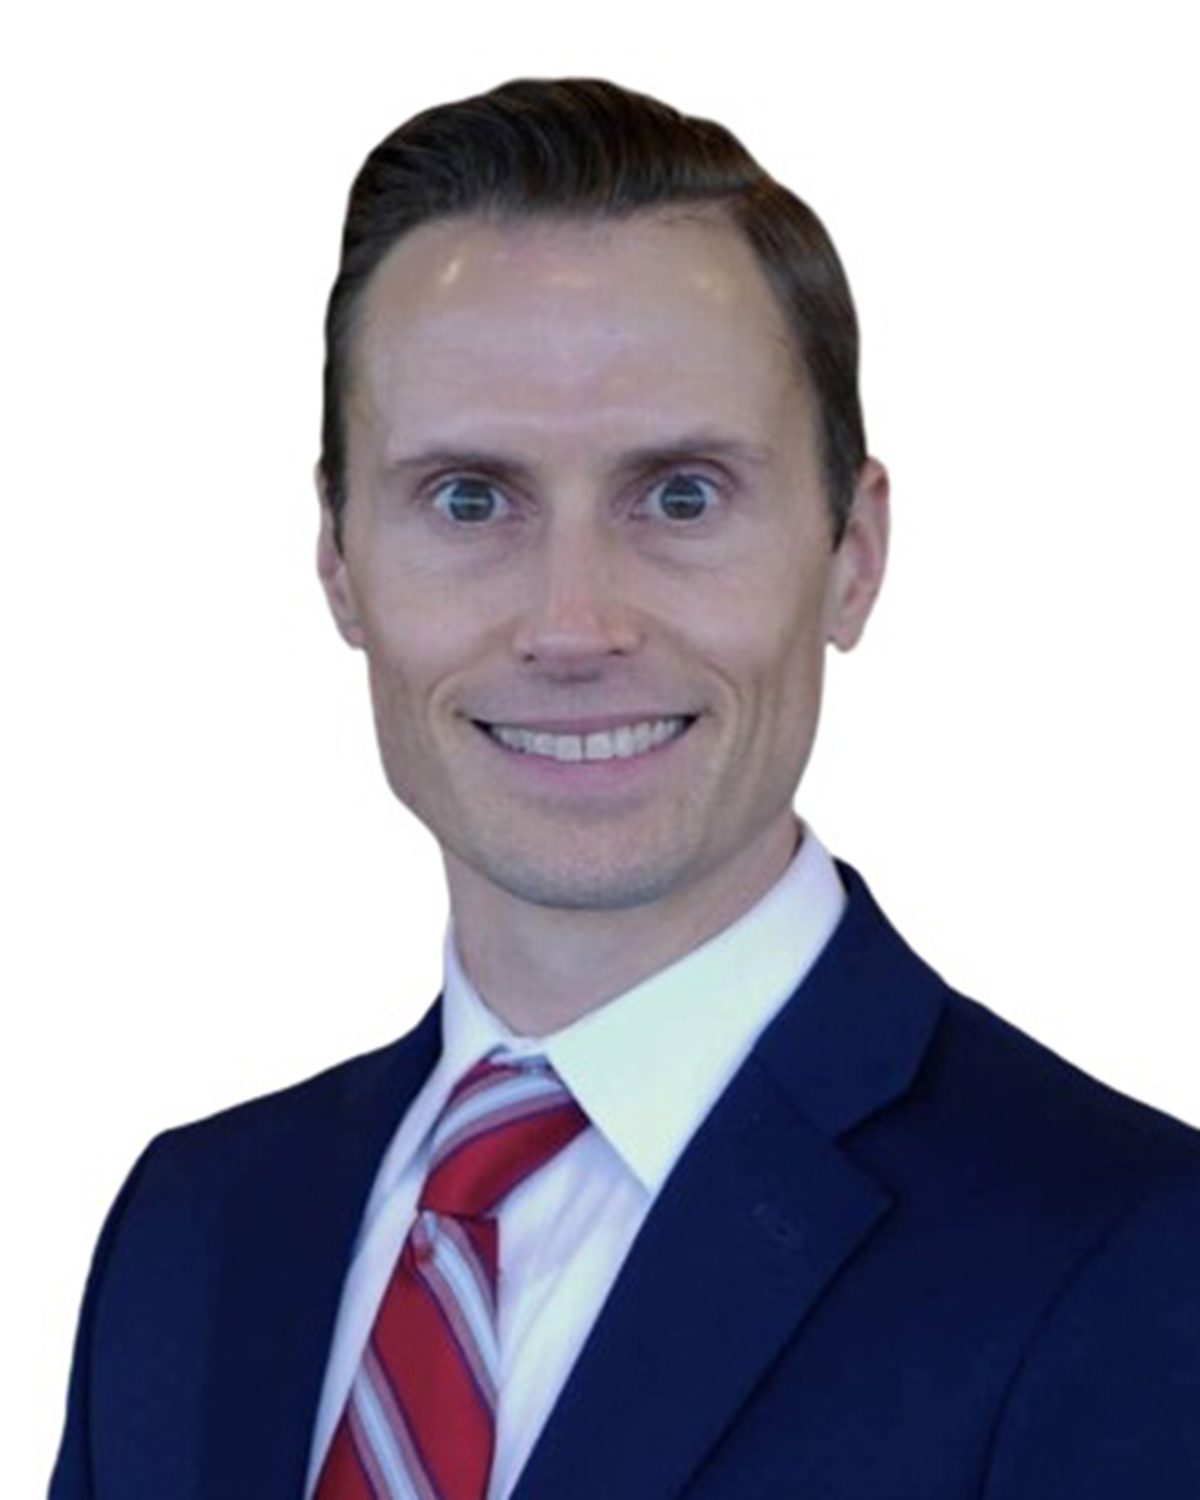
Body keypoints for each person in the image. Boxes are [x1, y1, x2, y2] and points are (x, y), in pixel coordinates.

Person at [50, 77, 1200, 1500]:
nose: (573, 624)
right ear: (340, 561)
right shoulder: (188, 1233)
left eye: (681, 496)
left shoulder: (1136, 1262)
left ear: (853, 555)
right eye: (470, 498)